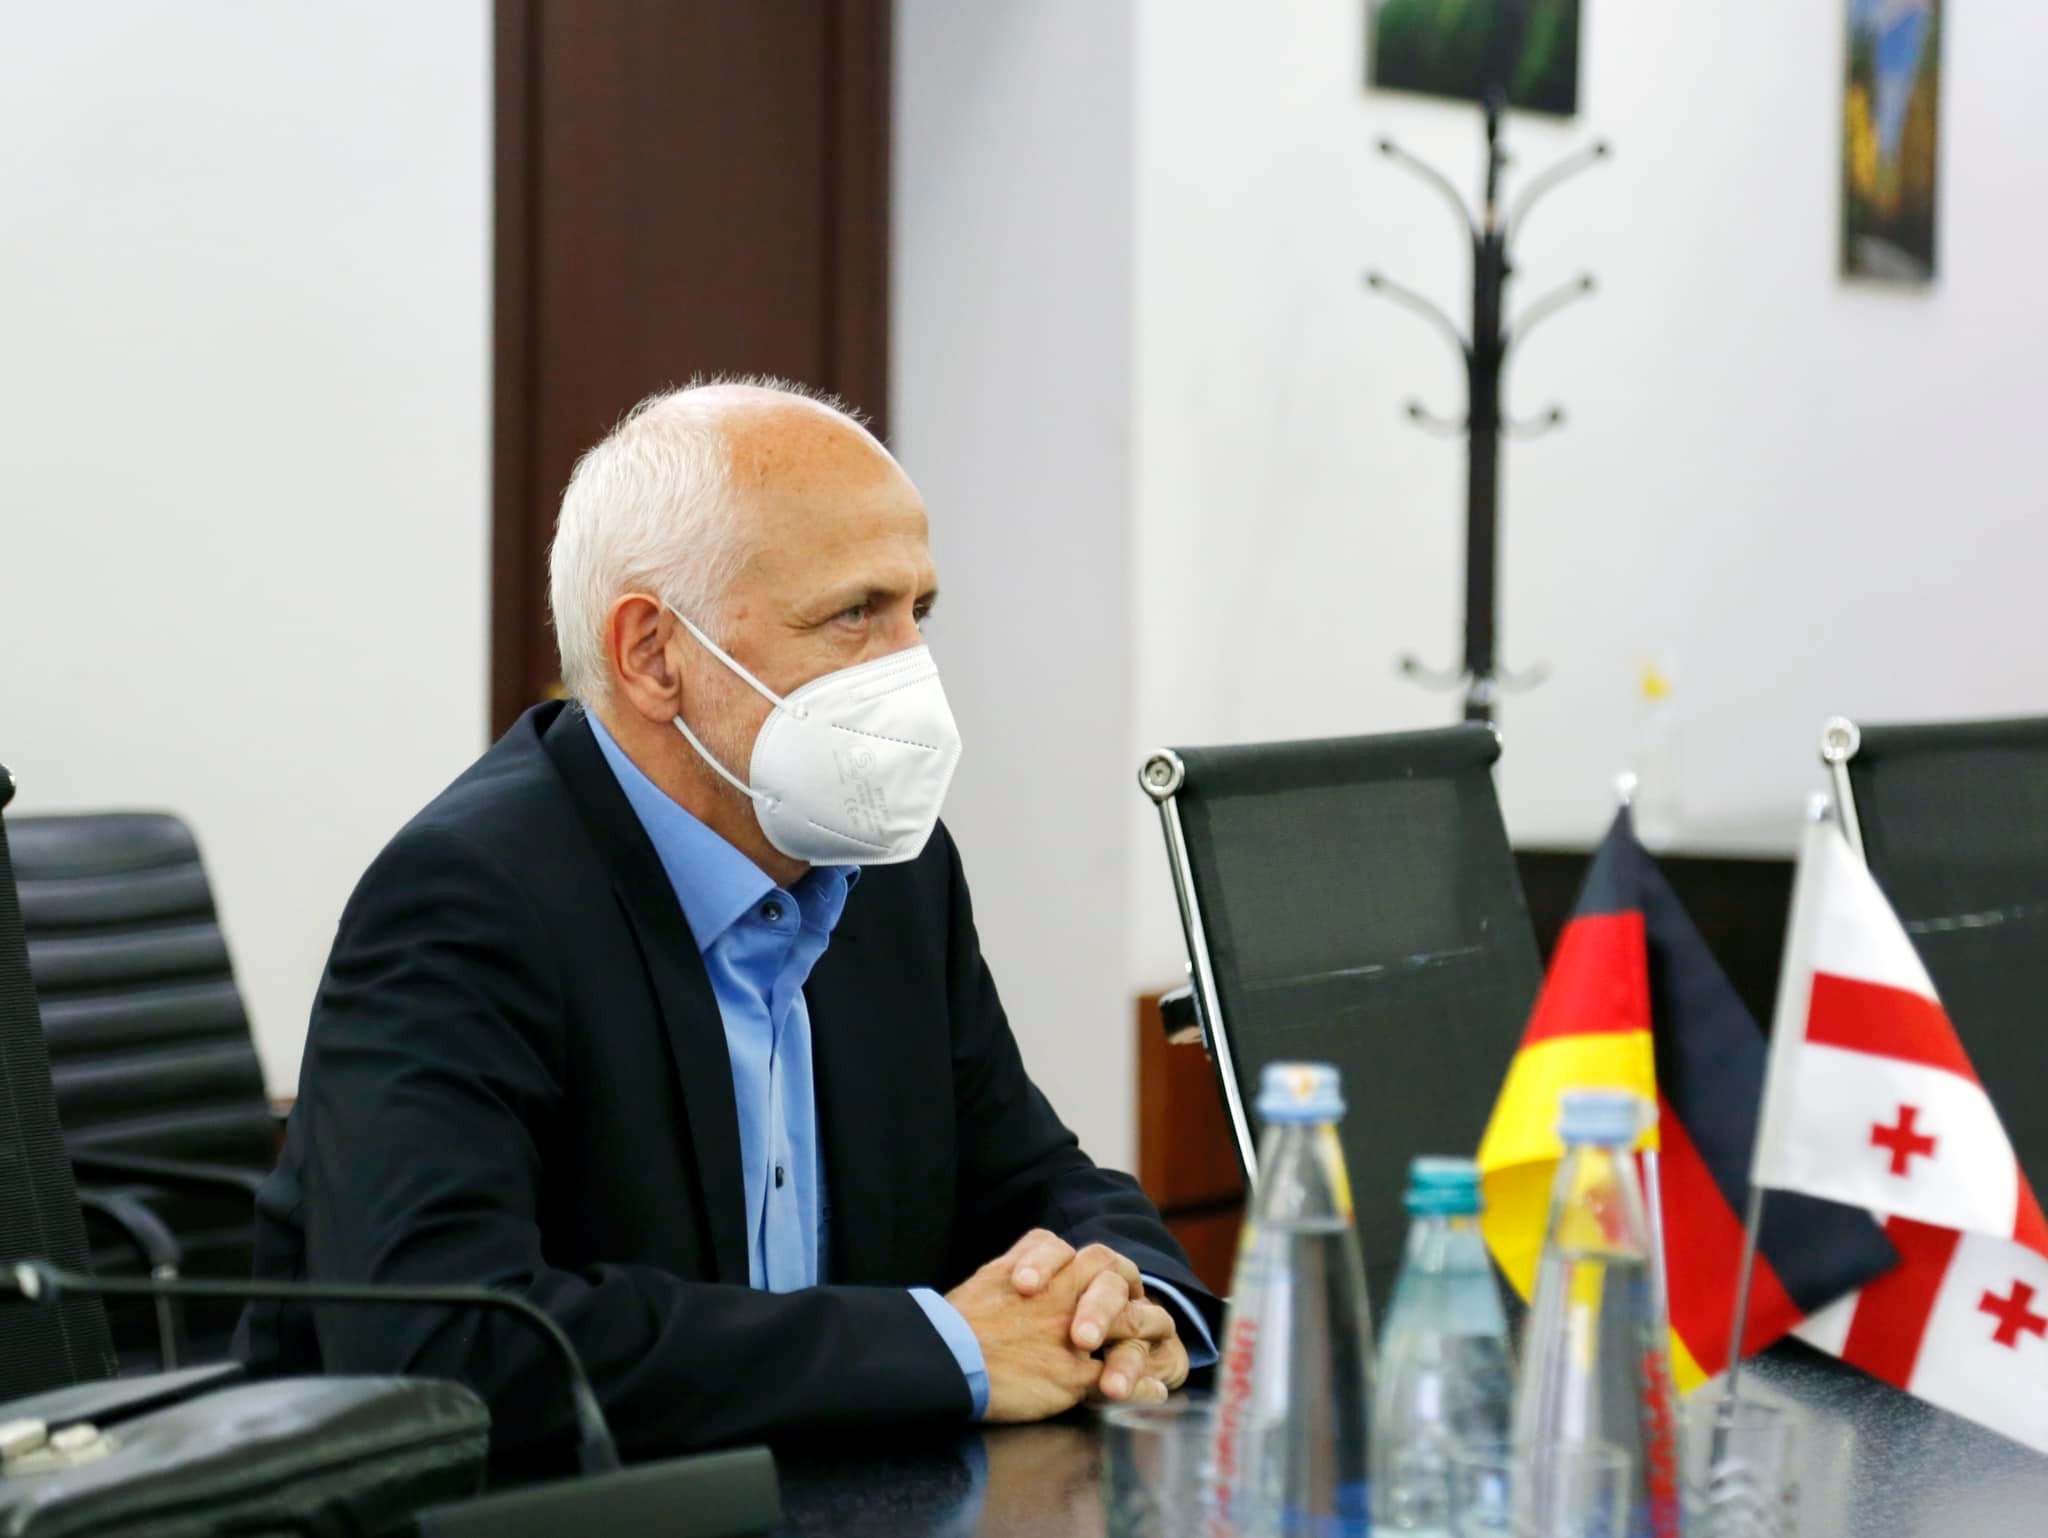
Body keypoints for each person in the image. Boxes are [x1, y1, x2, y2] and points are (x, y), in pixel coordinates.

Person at [240, 380, 1220, 1459]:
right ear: (653, 654)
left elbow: (1032, 1177)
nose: (912, 670)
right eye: (854, 614)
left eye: (919, 612)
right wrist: (947, 1346)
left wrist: (1130, 1301)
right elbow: (448, 1348)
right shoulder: (465, 900)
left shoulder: (892, 866)